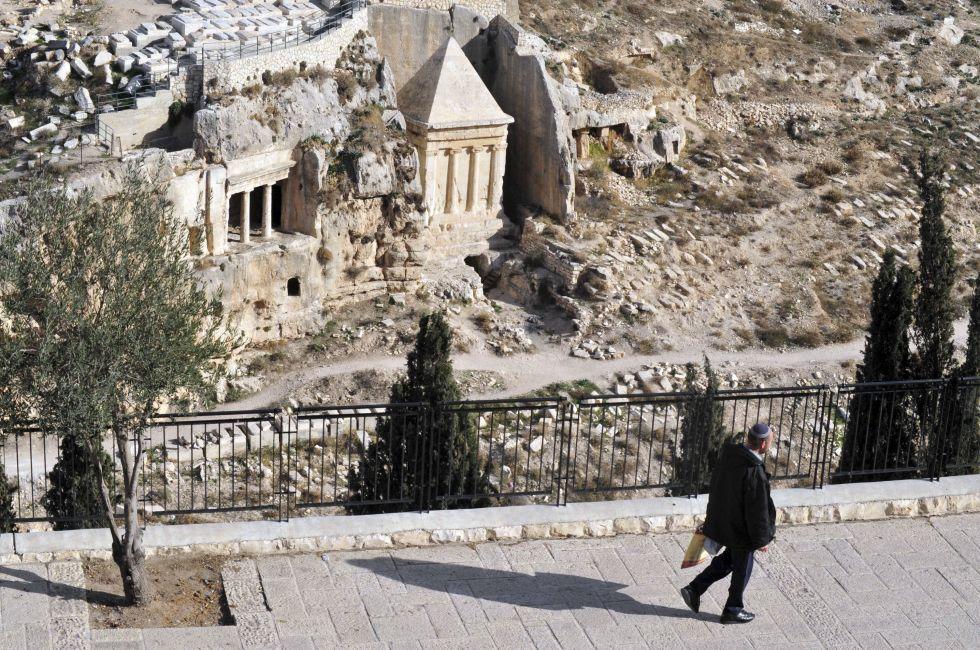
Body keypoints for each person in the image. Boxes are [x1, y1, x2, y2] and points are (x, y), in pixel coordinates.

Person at [680, 422, 776, 624]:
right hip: (742, 530)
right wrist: (761, 539)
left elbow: (716, 488)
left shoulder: (730, 455)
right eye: (770, 441)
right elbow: (757, 510)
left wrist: (711, 520)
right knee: (743, 567)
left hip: (725, 521)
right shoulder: (754, 471)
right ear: (763, 445)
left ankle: (694, 589)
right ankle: (733, 609)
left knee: (729, 560)